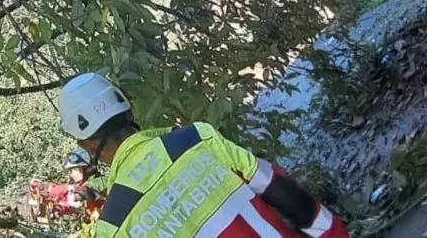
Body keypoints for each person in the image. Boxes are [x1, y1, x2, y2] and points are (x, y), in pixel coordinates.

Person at [58, 73, 350, 237]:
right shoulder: (197, 138)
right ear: (128, 110)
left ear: (85, 145)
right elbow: (283, 192)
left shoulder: (113, 227)